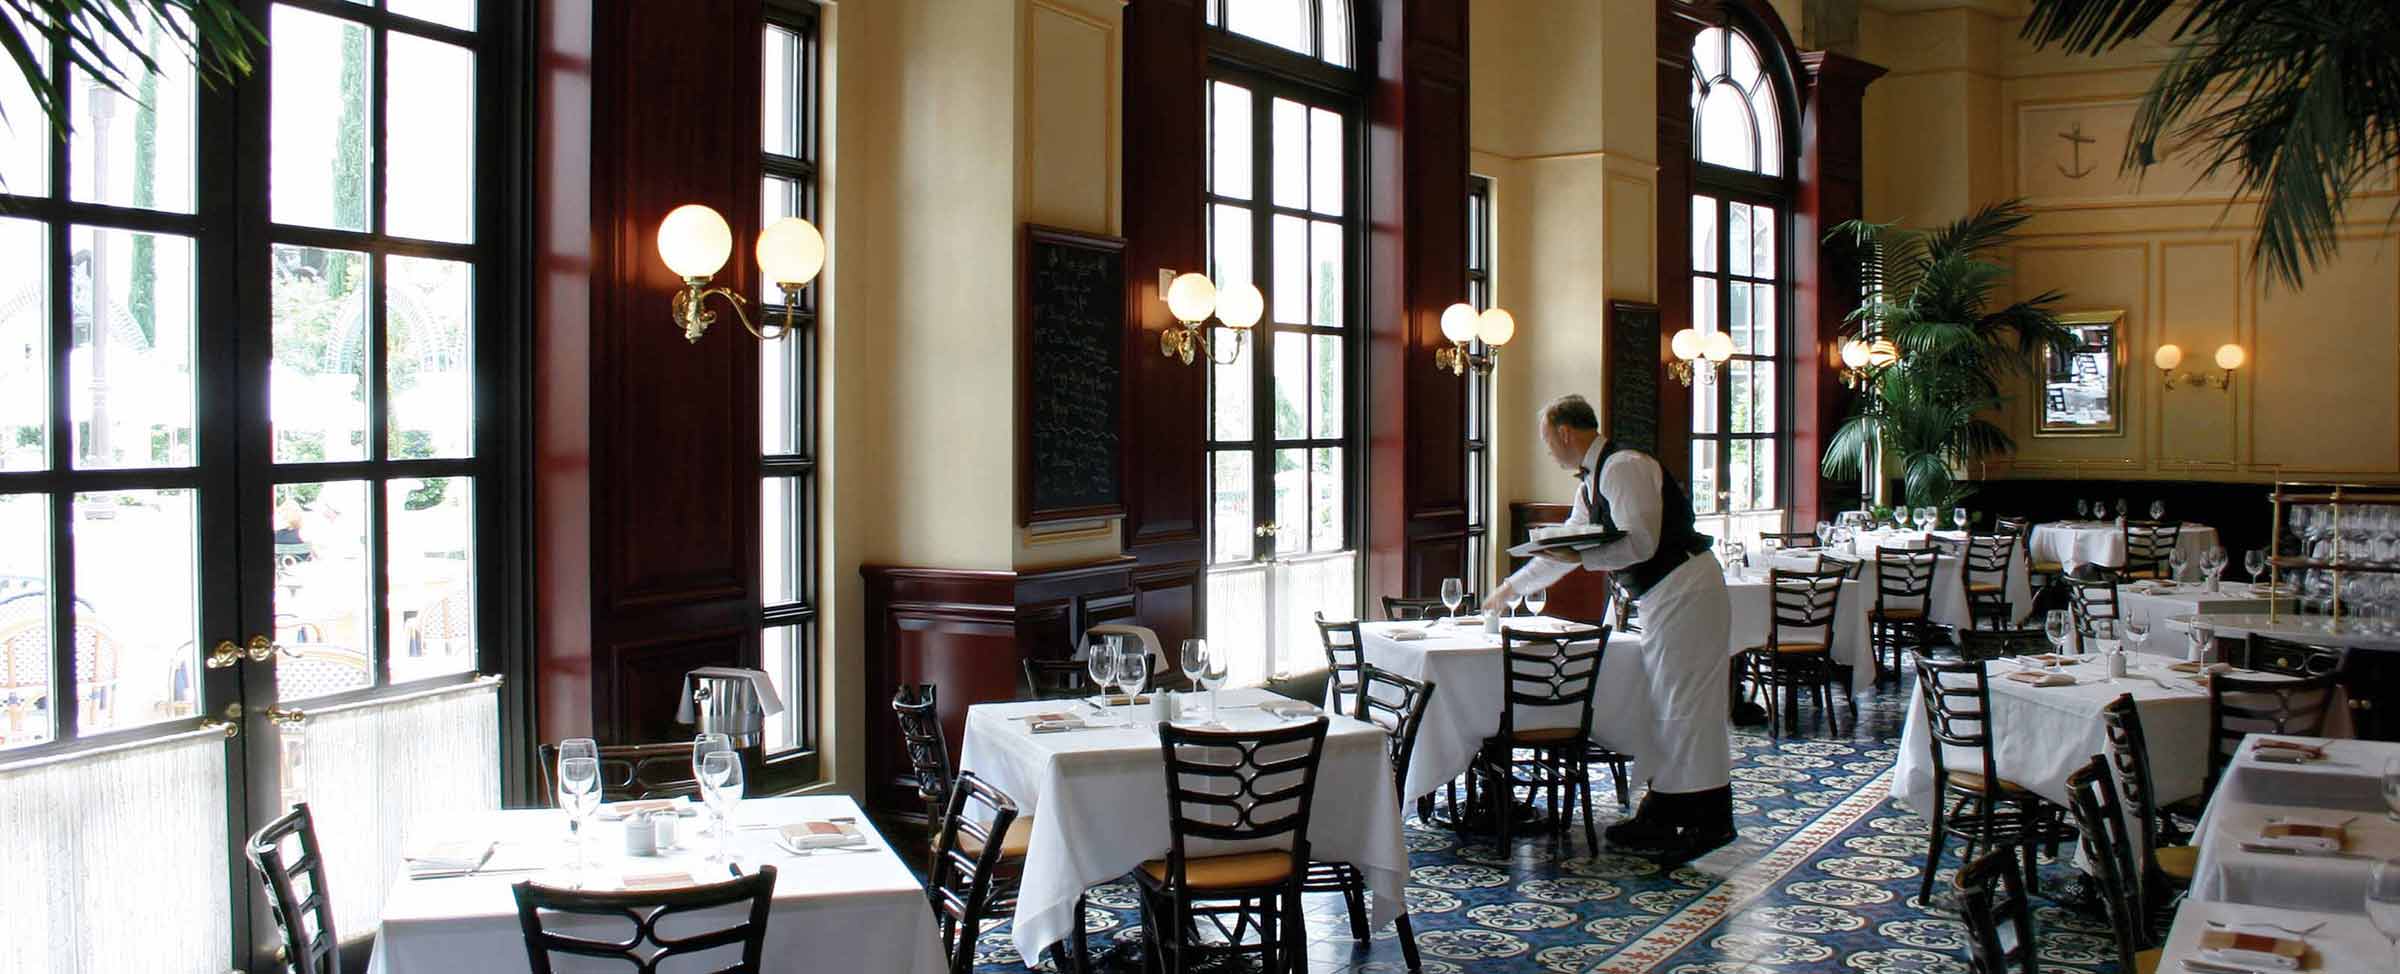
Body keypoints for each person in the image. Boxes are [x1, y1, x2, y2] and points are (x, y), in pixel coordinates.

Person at [1484, 394, 1736, 859]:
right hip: (1664, 595)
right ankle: (1662, 811)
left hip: (1686, 588)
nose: (1548, 451)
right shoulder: (1591, 484)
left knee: (1688, 706)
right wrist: (1511, 589)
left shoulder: (1624, 467)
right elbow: (1563, 549)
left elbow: (1641, 543)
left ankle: (1710, 821)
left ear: (1565, 433)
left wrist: (1579, 556)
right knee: (1665, 702)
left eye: (1547, 440)